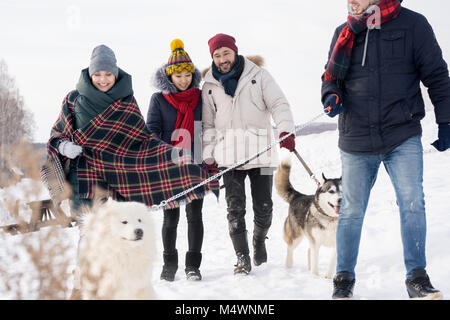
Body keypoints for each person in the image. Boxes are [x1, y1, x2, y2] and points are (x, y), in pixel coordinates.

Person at [322, 0, 449, 299]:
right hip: (356, 138)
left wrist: (445, 119)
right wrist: (331, 95)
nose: (350, 1)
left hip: (400, 133)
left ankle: (417, 277)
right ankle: (343, 279)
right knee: (351, 210)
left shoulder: (413, 25)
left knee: (412, 202)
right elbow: (330, 78)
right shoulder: (344, 31)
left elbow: (437, 76)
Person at [46, 44, 218, 216]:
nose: (103, 79)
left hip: (119, 178)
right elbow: (56, 134)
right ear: (90, 74)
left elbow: (143, 141)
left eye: (108, 74)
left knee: (116, 234)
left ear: (115, 73)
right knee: (88, 233)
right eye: (97, 74)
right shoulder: (74, 99)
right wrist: (63, 147)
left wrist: (180, 157)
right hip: (83, 177)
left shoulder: (126, 100)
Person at [202, 33, 296, 275]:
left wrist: (285, 129)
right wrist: (208, 157)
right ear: (212, 57)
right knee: (235, 209)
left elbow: (279, 103)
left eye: (226, 53)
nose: (222, 59)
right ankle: (242, 257)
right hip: (228, 156)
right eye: (217, 55)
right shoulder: (209, 86)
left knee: (264, 206)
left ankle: (258, 239)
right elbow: (207, 125)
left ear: (235, 52)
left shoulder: (259, 75)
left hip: (261, 152)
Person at [146, 39, 205, 281]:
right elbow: (152, 132)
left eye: (187, 74)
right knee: (171, 218)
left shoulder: (201, 97)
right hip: (169, 168)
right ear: (170, 76)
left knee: (195, 216)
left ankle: (193, 266)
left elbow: (207, 128)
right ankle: (169, 265)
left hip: (196, 165)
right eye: (178, 75)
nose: (183, 79)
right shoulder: (158, 100)